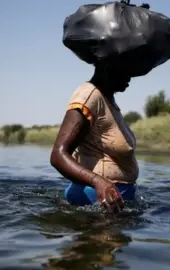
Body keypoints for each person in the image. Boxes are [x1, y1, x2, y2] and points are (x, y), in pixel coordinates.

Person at [50, 61, 139, 213]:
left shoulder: (108, 101)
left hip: (113, 204)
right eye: (126, 69)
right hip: (94, 203)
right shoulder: (89, 95)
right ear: (107, 66)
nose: (131, 76)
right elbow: (58, 155)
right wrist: (98, 182)